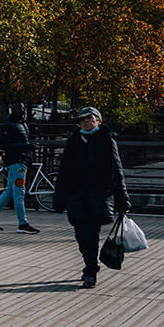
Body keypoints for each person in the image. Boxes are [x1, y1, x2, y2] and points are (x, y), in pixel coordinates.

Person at [53, 106, 129, 289]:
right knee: (80, 234)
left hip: (98, 194)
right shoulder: (73, 141)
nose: (87, 122)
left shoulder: (106, 140)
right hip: (76, 195)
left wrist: (122, 198)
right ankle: (91, 264)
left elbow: (117, 171)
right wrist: (59, 197)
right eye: (83, 120)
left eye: (91, 119)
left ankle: (90, 271)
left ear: (99, 121)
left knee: (91, 234)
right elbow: (63, 171)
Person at [0, 103, 39, 234]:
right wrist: (26, 146)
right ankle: (22, 223)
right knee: (19, 193)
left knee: (10, 191)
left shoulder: (21, 123)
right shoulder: (9, 125)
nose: (18, 111)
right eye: (15, 109)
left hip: (20, 160)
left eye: (20, 109)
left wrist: (27, 147)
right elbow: (4, 145)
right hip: (16, 161)